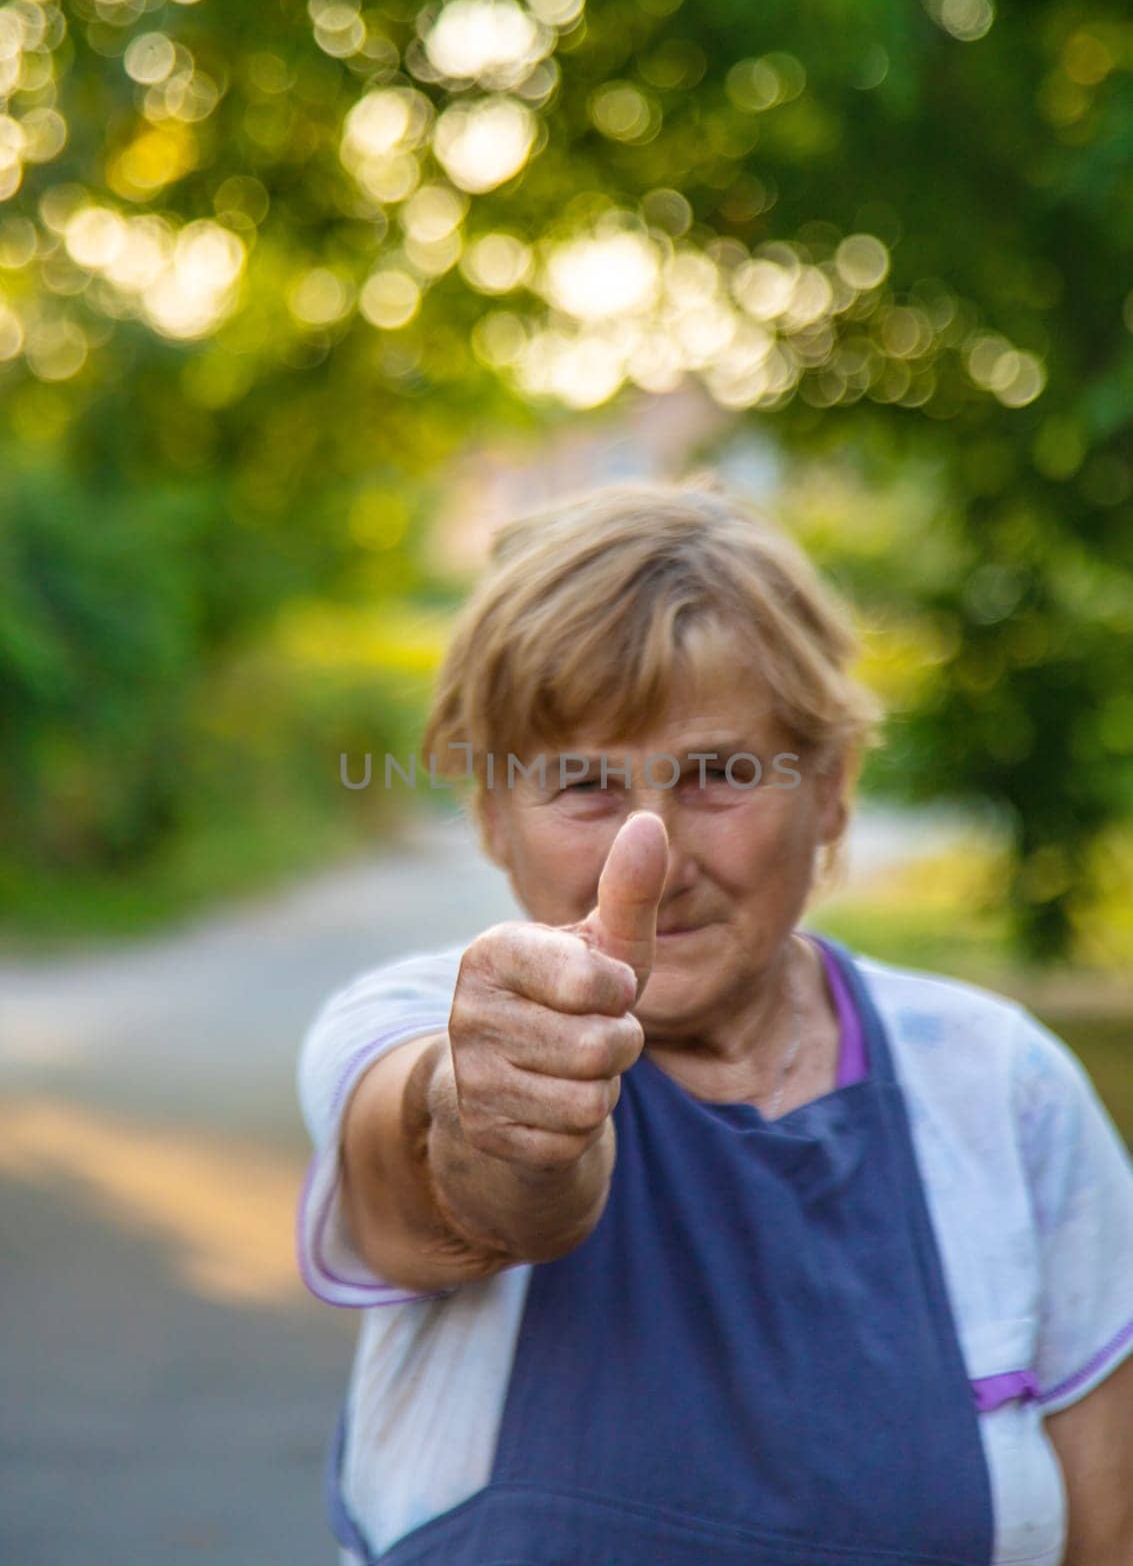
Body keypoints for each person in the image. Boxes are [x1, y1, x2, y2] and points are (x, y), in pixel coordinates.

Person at [296, 479, 1133, 1566]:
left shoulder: (1003, 1090)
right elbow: (462, 1171)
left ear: (829, 787)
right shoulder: (424, 1025)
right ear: (492, 817)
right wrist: (500, 1112)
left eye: (720, 774)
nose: (654, 855)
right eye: (583, 784)